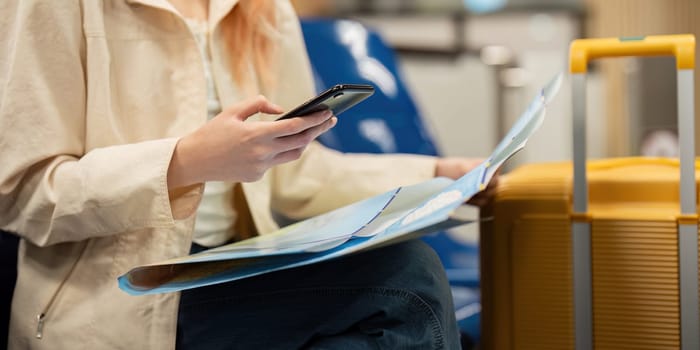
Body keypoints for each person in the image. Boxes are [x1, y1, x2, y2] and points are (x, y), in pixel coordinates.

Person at [0, 1, 491, 349]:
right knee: (407, 285)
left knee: (405, 284)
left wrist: (438, 175)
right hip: (121, 293)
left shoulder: (261, 7)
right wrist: (184, 162)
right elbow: (22, 191)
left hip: (231, 267)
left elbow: (300, 176)